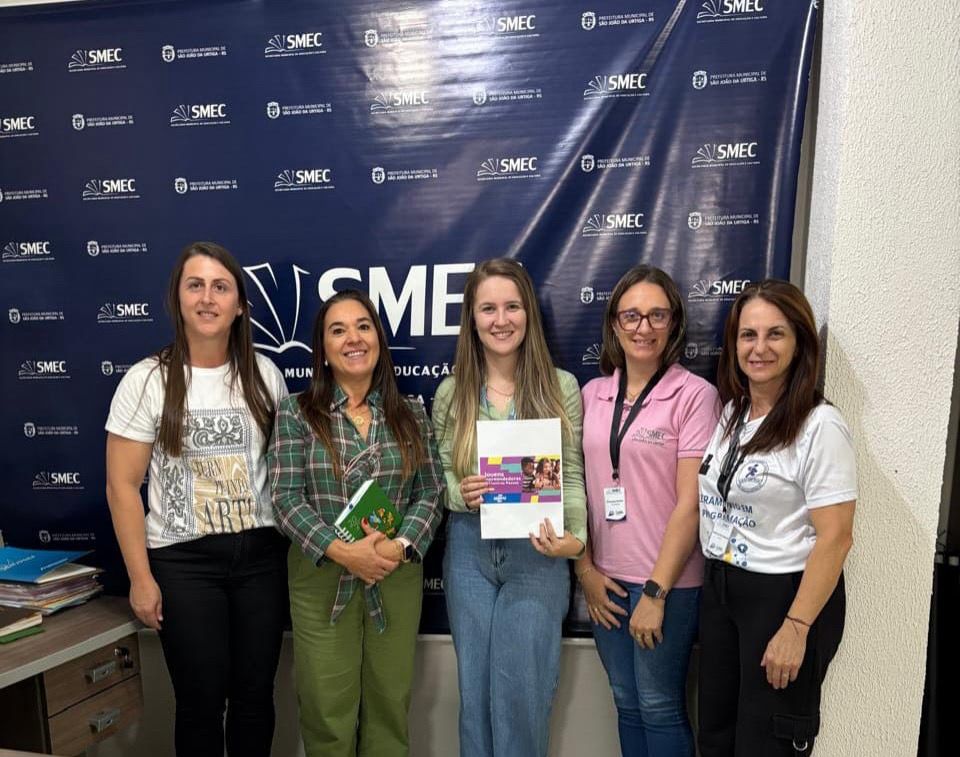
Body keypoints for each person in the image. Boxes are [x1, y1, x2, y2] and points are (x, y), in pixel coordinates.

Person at [105, 241, 289, 757]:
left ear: (240, 305)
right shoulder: (147, 380)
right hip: (183, 566)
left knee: (255, 700)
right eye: (196, 285)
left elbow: (286, 473)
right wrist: (141, 579)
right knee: (200, 704)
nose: (207, 298)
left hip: (260, 560)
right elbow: (122, 486)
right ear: (178, 298)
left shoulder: (265, 376)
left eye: (220, 287)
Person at [269, 290, 444, 757]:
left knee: (390, 706)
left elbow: (431, 492)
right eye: (338, 330)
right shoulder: (295, 413)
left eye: (363, 326)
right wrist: (344, 552)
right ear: (323, 349)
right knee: (327, 713)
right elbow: (284, 498)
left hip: (394, 574)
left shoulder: (411, 413)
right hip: (322, 579)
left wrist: (398, 546)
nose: (354, 338)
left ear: (379, 340)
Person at [431, 258, 588, 757]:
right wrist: (460, 493)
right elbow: (439, 473)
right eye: (488, 308)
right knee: (475, 699)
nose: (501, 320)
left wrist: (575, 539)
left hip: (537, 555)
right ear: (472, 319)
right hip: (468, 553)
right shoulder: (451, 393)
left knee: (522, 698)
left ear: (528, 314)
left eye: (512, 306)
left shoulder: (561, 387)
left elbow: (571, 473)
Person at [697, 280, 856, 756]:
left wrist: (796, 626)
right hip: (723, 586)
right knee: (717, 736)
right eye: (748, 335)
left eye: (775, 334)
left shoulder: (819, 425)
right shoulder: (734, 413)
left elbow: (836, 537)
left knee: (765, 745)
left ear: (799, 343)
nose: (759, 348)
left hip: (782, 597)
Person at [578, 265, 719, 756]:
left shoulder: (695, 396)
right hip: (605, 581)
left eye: (657, 315)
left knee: (659, 705)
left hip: (667, 583)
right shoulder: (592, 394)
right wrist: (585, 572)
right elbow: (576, 490)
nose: (644, 327)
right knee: (626, 702)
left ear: (673, 322)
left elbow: (691, 503)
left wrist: (656, 593)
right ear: (614, 324)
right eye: (632, 315)